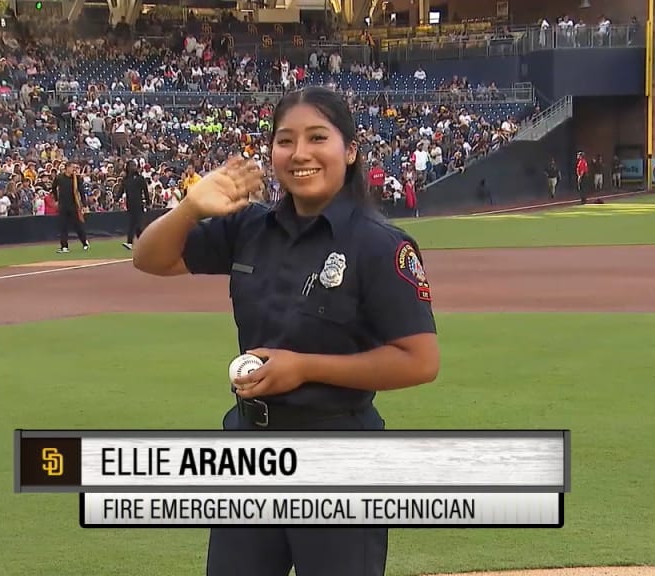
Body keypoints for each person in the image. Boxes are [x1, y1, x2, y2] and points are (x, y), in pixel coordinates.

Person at [132, 86, 440, 576]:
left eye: (318, 137)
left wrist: (304, 368)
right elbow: (149, 259)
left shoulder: (380, 245)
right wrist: (190, 208)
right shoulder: (249, 227)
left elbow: (420, 360)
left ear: (351, 150)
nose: (300, 154)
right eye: (285, 140)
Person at [51, 161, 90, 254]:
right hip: (63, 205)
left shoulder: (77, 178)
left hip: (73, 205)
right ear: (67, 168)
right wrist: (56, 199)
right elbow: (53, 187)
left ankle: (84, 242)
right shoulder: (59, 177)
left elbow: (81, 191)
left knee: (77, 225)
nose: (74, 169)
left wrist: (84, 204)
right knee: (63, 226)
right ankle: (64, 246)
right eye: (73, 167)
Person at [120, 160, 150, 250]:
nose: (133, 167)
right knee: (136, 226)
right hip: (130, 205)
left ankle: (130, 242)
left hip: (138, 204)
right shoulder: (126, 179)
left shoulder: (140, 178)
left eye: (134, 165)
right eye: (131, 166)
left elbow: (145, 191)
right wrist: (116, 198)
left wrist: (148, 202)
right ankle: (144, 242)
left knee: (133, 224)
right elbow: (121, 190)